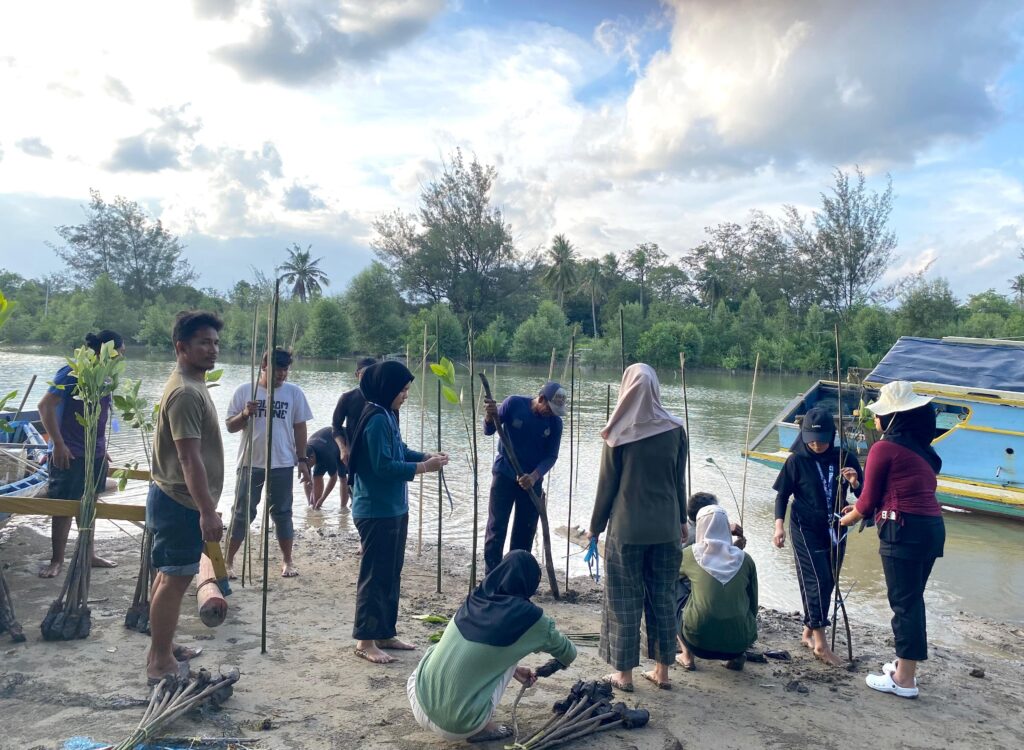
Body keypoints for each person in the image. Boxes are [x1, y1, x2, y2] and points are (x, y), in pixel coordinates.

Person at [840, 381, 945, 699]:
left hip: (903, 531)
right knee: (913, 599)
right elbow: (890, 493)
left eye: (880, 414)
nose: (875, 419)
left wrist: (844, 520)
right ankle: (903, 666)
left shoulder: (883, 448)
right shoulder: (924, 452)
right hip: (931, 528)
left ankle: (904, 681)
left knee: (904, 604)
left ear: (894, 418)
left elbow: (868, 503)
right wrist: (857, 506)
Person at [408, 550, 577, 743]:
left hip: (417, 697)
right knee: (511, 649)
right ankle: (483, 728)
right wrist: (550, 667)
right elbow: (569, 653)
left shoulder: (476, 597)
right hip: (459, 725)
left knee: (442, 649)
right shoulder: (532, 618)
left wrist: (513, 669)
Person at [589, 363, 687, 692]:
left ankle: (624, 675)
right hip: (666, 530)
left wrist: (595, 527)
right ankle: (662, 671)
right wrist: (681, 520)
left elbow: (606, 486)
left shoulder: (617, 433)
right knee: (662, 598)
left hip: (627, 530)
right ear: (656, 389)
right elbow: (678, 480)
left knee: (623, 601)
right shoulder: (675, 429)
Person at [347, 361, 448, 664]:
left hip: (394, 507)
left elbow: (399, 450)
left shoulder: (388, 415)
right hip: (375, 509)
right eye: (402, 390)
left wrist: (426, 455)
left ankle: (384, 632)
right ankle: (365, 640)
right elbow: (383, 466)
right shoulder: (376, 418)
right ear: (387, 388)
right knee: (375, 575)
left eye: (407, 390)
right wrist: (423, 467)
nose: (405, 395)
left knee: (391, 574)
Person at [145, 311, 225, 685]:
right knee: (175, 581)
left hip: (175, 496)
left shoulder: (192, 383)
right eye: (204, 343)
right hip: (180, 502)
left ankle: (163, 647)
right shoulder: (186, 392)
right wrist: (207, 511)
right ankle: (159, 662)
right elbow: (188, 458)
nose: (213, 349)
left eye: (215, 342)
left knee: (168, 577)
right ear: (181, 347)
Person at [772, 405, 862, 666]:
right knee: (816, 579)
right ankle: (821, 645)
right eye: (811, 440)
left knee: (829, 579)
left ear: (831, 436)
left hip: (837, 526)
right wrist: (778, 527)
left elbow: (864, 496)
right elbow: (782, 496)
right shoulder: (796, 461)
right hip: (804, 526)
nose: (817, 445)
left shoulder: (844, 458)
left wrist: (855, 483)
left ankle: (808, 632)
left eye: (822, 441)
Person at [37, 330, 123, 578]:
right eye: (120, 353)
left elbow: (99, 415)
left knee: (90, 503)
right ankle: (57, 560)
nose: (121, 358)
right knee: (64, 506)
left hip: (94, 451)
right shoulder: (72, 372)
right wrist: (58, 444)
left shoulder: (105, 376)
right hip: (69, 452)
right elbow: (45, 406)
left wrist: (101, 447)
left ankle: (88, 553)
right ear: (107, 351)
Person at [225, 348, 312, 578]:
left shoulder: (294, 393)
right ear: (264, 367)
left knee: (283, 513)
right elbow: (230, 426)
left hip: (282, 463)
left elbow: (300, 428)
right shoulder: (246, 390)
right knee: (242, 513)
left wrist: (302, 460)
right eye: (277, 370)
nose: (282, 374)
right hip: (250, 462)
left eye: (285, 370)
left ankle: (287, 561)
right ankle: (228, 561)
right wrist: (245, 414)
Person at [482, 381, 565, 574]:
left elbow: (551, 456)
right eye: (550, 408)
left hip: (531, 483)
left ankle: (514, 578)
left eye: (556, 411)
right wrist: (489, 416)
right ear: (541, 399)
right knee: (496, 527)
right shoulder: (513, 404)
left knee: (524, 532)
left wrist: (534, 477)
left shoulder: (555, 423)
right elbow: (489, 430)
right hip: (504, 474)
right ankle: (491, 577)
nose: (551, 413)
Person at [676, 505, 758, 672]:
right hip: (740, 642)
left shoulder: (691, 554)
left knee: (673, 586)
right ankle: (736, 657)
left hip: (697, 642)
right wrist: (736, 548)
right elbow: (753, 604)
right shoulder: (746, 559)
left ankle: (687, 655)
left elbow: (668, 574)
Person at [331, 357, 376, 511]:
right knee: (357, 497)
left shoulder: (386, 399)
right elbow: (336, 427)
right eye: (365, 373)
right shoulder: (348, 398)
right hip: (354, 454)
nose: (369, 377)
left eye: (373, 373)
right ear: (357, 375)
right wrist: (343, 449)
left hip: (377, 454)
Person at [305, 426, 343, 510]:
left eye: (308, 465)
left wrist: (322, 499)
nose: (308, 467)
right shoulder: (304, 454)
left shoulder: (327, 456)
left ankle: (343, 509)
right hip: (324, 444)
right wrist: (310, 503)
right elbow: (306, 478)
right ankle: (315, 505)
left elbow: (333, 478)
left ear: (311, 458)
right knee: (316, 476)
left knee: (342, 477)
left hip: (341, 440)